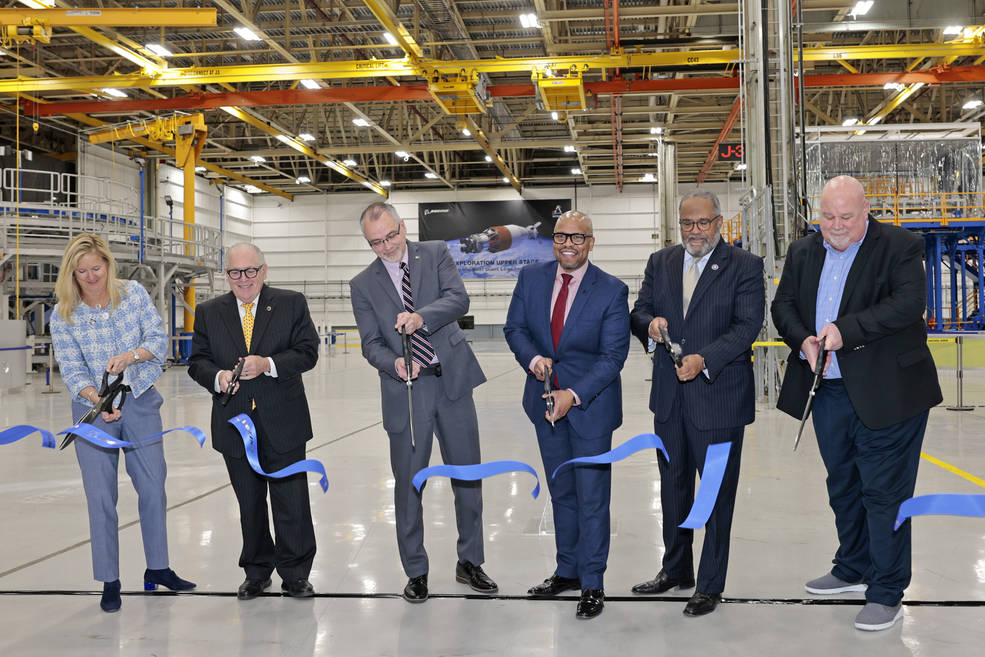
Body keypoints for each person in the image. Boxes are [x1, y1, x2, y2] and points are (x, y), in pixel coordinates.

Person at [771, 175, 942, 631]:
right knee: (843, 484)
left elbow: (907, 304)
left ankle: (886, 591)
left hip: (891, 391)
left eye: (847, 216)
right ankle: (853, 566)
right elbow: (783, 304)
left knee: (884, 493)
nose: (837, 225)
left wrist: (847, 331)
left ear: (867, 211)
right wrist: (801, 338)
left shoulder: (901, 245)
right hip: (827, 389)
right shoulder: (803, 251)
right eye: (827, 216)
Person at [350, 201, 497, 603]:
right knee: (408, 484)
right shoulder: (361, 284)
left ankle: (470, 562)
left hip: (451, 383)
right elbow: (370, 344)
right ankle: (416, 570)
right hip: (407, 393)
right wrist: (394, 362)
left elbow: (458, 299)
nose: (386, 247)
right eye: (376, 242)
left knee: (468, 476)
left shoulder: (434, 254)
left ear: (402, 226)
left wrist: (421, 317)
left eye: (391, 236)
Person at [629, 189, 765, 617]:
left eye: (703, 223)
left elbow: (747, 326)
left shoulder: (745, 265)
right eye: (687, 223)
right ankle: (676, 569)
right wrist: (648, 324)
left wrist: (705, 358)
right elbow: (639, 310)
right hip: (669, 400)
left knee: (715, 496)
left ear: (719, 223)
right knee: (673, 489)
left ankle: (709, 584)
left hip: (718, 398)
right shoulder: (661, 261)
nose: (694, 231)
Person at [50, 233, 195, 613]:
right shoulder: (63, 313)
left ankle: (158, 568)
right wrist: (97, 398)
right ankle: (109, 580)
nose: (91, 276)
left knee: (152, 487)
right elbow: (70, 366)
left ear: (108, 264)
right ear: (72, 273)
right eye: (82, 271)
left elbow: (157, 341)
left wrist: (129, 357)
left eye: (96, 268)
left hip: (141, 401)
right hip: (93, 410)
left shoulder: (132, 294)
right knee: (100, 496)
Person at [503, 210, 630, 619]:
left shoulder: (611, 290)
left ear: (591, 242)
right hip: (543, 403)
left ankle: (593, 583)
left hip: (590, 407)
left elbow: (613, 357)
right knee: (562, 493)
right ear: (552, 241)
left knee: (592, 498)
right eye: (561, 237)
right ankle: (568, 570)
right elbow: (515, 329)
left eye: (578, 238)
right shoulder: (531, 279)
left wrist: (572, 395)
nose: (569, 245)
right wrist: (533, 358)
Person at [188, 242, 320, 600]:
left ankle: (296, 574)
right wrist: (217, 378)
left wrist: (267, 365)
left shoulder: (291, 303)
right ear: (225, 275)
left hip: (284, 419)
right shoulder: (209, 311)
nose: (243, 279)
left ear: (263, 271)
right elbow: (197, 360)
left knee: (292, 500)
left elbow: (308, 352)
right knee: (249, 502)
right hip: (234, 422)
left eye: (250, 271)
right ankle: (257, 571)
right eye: (234, 272)